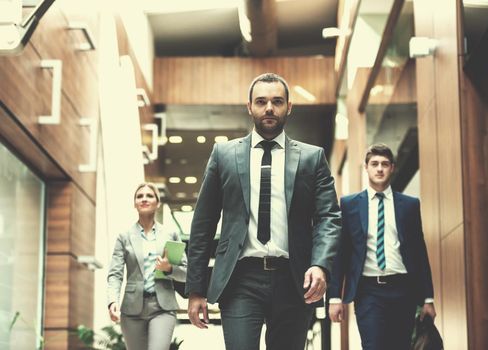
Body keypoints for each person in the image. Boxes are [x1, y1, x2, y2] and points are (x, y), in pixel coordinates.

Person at [185, 72, 341, 349]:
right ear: (249, 107)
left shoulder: (311, 157)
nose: (269, 108)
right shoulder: (223, 155)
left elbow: (329, 217)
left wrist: (320, 264)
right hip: (240, 279)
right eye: (261, 101)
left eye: (277, 101)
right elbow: (203, 223)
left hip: (294, 279)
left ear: (288, 107)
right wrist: (196, 290)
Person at [327, 143, 436, 350]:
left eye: (385, 164)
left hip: (403, 289)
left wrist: (428, 298)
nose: (379, 169)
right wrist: (334, 298)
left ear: (392, 168)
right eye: (374, 164)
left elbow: (419, 254)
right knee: (373, 346)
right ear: (365, 167)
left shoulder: (409, 205)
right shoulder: (350, 204)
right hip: (368, 291)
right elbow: (341, 254)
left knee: (400, 346)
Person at [107, 183, 187, 350]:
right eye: (139, 196)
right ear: (135, 203)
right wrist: (112, 300)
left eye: (149, 196)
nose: (144, 199)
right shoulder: (124, 237)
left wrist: (169, 269)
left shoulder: (170, 234)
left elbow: (186, 273)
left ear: (157, 203)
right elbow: (115, 274)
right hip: (132, 309)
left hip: (162, 308)